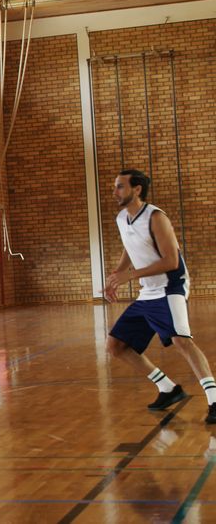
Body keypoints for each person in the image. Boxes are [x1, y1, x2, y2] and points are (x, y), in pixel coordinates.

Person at [104, 169, 216, 423]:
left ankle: (214, 400)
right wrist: (116, 275)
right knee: (116, 345)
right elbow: (130, 246)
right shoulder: (122, 218)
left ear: (137, 189)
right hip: (148, 291)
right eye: (115, 186)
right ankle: (168, 388)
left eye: (120, 186)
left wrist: (129, 275)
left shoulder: (156, 217)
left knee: (182, 341)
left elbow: (171, 260)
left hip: (170, 286)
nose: (115, 191)